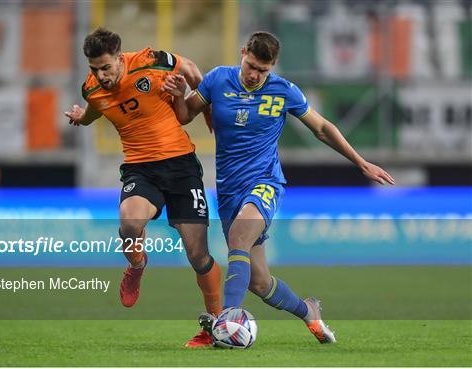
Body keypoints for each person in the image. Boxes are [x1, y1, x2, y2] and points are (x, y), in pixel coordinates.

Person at [163, 31, 395, 344]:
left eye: (263, 70)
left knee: (238, 237)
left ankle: (226, 320)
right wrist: (179, 95)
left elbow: (323, 129)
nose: (255, 75)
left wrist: (360, 162)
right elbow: (185, 115)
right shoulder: (218, 80)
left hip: (264, 183)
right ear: (243, 53)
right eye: (251, 66)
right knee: (259, 283)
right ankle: (308, 311)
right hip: (229, 191)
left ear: (273, 67)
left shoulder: (284, 91)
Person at [65, 27, 221, 347]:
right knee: (130, 222)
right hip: (140, 168)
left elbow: (191, 68)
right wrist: (82, 118)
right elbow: (96, 108)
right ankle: (137, 264)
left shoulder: (151, 62)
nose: (101, 75)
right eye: (94, 69)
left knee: (198, 255)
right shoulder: (91, 88)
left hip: (181, 166)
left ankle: (214, 327)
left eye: (107, 67)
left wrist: (206, 108)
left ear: (120, 59)